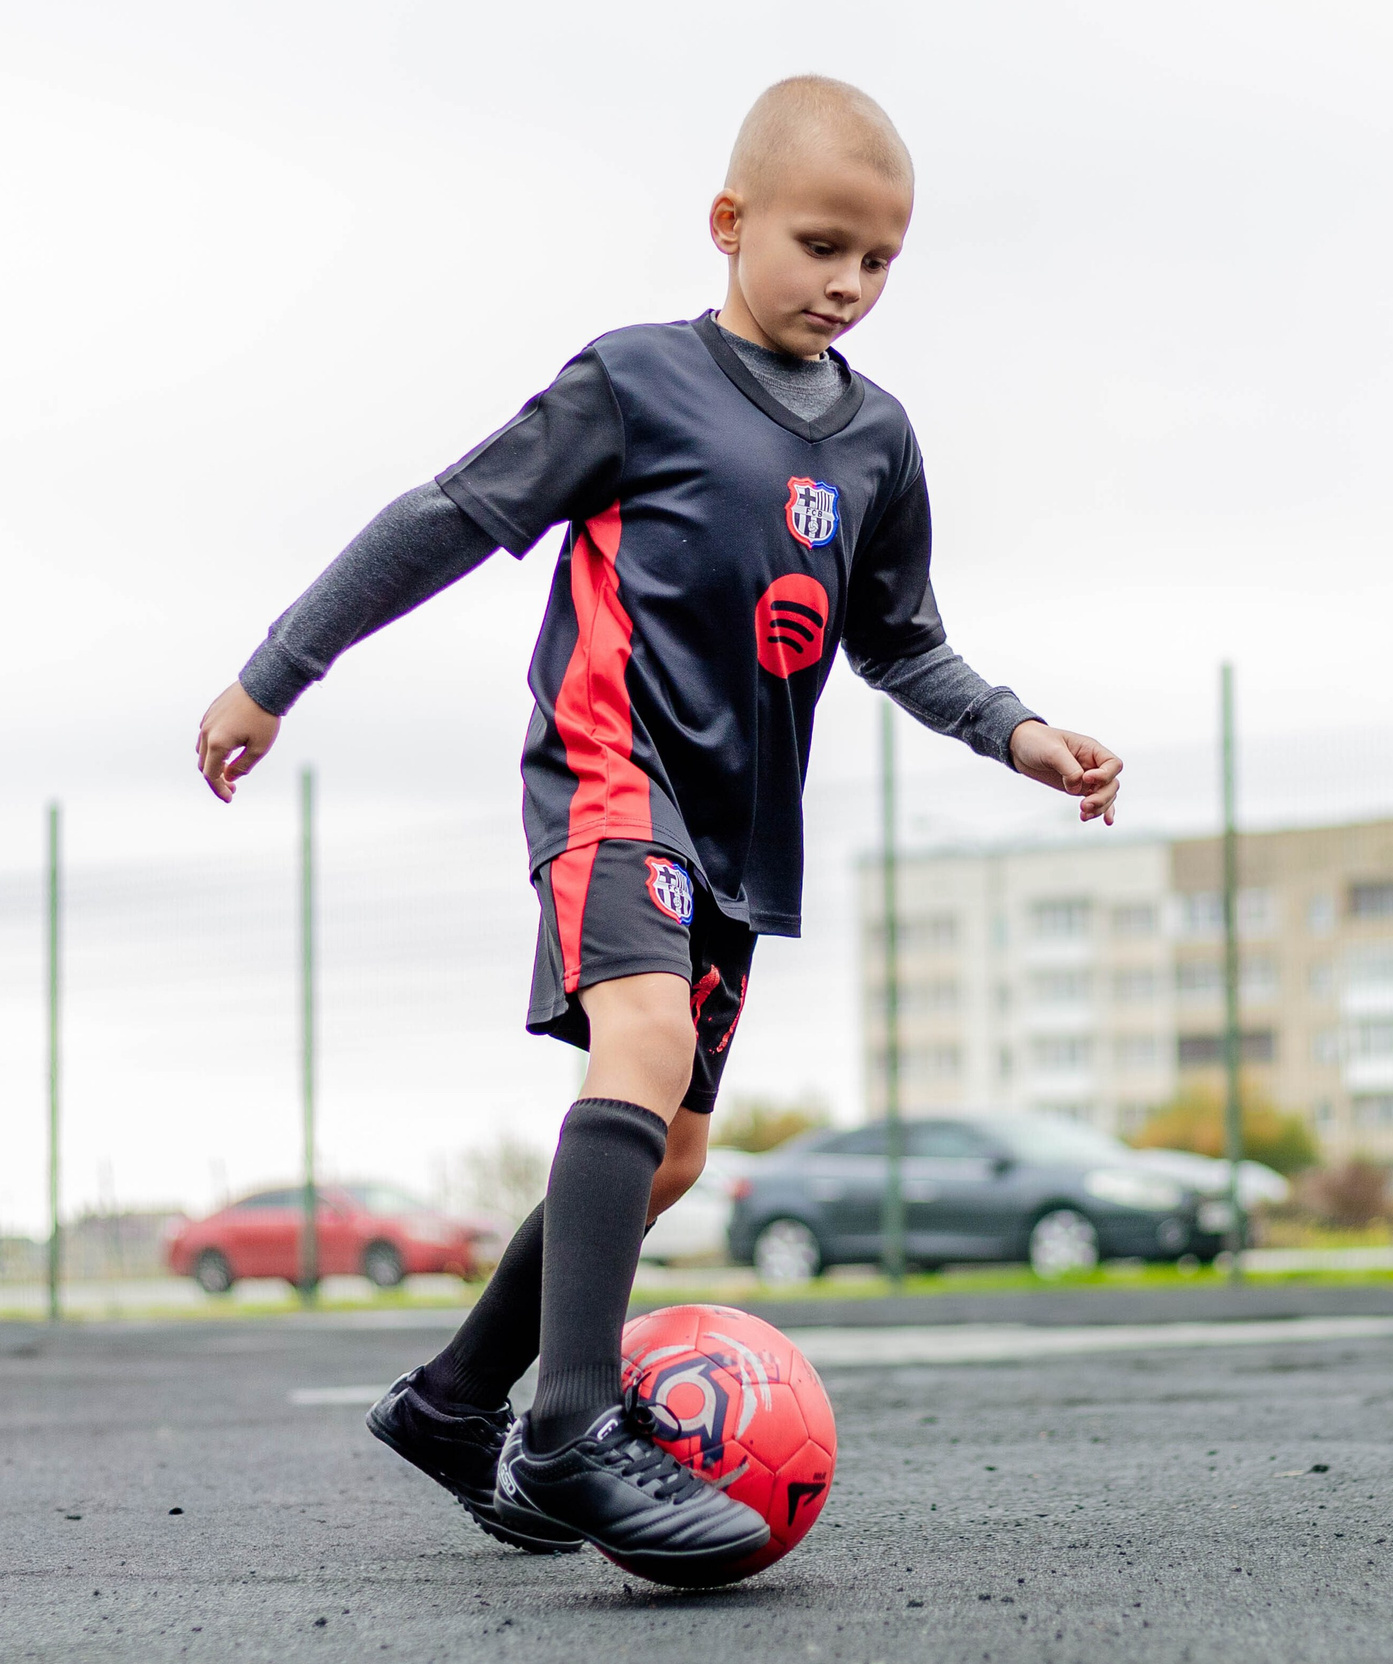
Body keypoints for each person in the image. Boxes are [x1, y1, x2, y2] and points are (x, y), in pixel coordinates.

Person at [194, 74, 1122, 1583]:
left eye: (881, 261)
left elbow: (903, 640)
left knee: (674, 1148)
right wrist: (272, 674)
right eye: (823, 244)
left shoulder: (877, 443)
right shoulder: (635, 384)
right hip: (610, 775)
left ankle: (446, 1405)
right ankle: (565, 1428)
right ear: (729, 222)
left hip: (740, 839)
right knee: (644, 1057)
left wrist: (1019, 730)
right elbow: (446, 517)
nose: (850, 283)